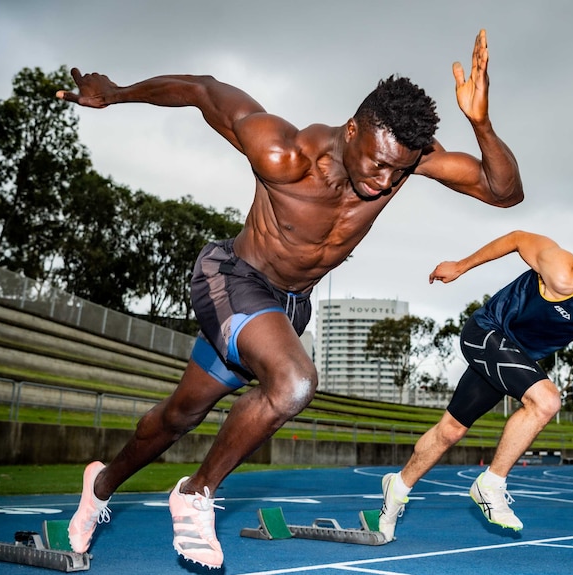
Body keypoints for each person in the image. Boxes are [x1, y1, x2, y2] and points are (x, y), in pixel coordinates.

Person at [57, 29, 523, 569]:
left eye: (400, 170)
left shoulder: (403, 160)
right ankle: (196, 493)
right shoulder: (282, 152)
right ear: (352, 131)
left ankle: (100, 486)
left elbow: (504, 192)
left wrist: (481, 125)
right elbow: (203, 89)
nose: (385, 180)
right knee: (295, 381)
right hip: (232, 277)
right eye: (377, 162)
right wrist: (116, 93)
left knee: (180, 414)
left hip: (282, 306)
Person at [379, 230, 573, 541]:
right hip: (486, 333)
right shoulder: (566, 274)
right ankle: (490, 484)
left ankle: (397, 488)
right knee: (546, 400)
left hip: (512, 358)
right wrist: (461, 266)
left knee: (451, 430)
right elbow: (518, 238)